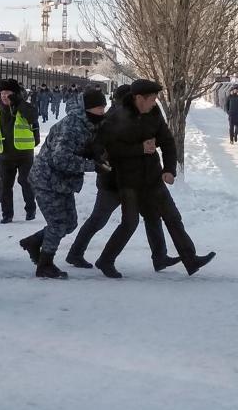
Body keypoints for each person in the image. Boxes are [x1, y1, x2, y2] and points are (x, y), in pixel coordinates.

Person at [94, 79, 216, 278]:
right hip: (129, 181)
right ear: (138, 98)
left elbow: (167, 141)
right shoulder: (117, 116)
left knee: (172, 217)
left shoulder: (154, 113)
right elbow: (107, 150)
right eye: (151, 99)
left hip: (152, 176)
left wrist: (169, 169)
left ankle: (189, 258)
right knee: (130, 223)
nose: (154, 103)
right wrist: (139, 148)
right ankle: (106, 260)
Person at [65, 85, 180, 271]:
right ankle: (76, 253)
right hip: (112, 182)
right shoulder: (112, 119)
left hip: (133, 181)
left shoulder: (135, 116)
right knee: (100, 218)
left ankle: (160, 256)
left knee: (152, 216)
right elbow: (106, 151)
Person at [19, 89, 109, 279]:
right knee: (59, 223)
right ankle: (45, 264)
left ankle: (34, 242)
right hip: (46, 180)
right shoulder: (72, 125)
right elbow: (60, 158)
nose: (102, 111)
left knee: (70, 223)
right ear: (87, 108)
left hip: (62, 182)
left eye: (103, 107)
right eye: (98, 108)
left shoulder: (89, 124)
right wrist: (93, 166)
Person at [0, 78, 39, 223]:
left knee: (25, 181)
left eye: (8, 92)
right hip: (4, 153)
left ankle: (30, 209)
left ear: (15, 93)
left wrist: (19, 102)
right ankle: (7, 214)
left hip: (24, 153)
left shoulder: (24, 107)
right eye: (2, 92)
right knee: (5, 185)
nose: (5, 96)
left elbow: (33, 116)